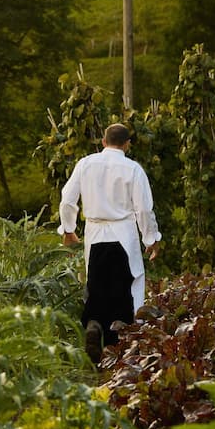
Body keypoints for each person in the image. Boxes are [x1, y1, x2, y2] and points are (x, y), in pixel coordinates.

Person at [57, 123, 161, 363]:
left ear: (103, 142)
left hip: (94, 233)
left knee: (96, 285)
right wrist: (151, 239)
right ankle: (119, 348)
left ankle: (94, 324)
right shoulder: (133, 169)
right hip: (123, 233)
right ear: (127, 144)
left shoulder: (85, 164)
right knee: (126, 289)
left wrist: (68, 229)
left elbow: (67, 199)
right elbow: (144, 209)